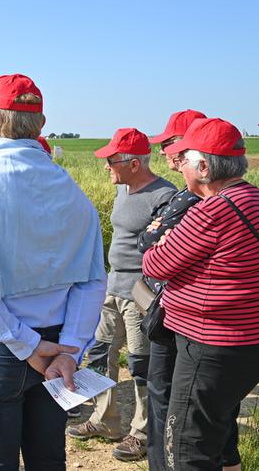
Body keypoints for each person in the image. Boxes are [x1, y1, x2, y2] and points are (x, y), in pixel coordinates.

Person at [0, 73, 107, 470]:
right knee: (48, 460)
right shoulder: (72, 191)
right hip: (58, 349)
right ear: (41, 125)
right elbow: (92, 279)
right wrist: (70, 348)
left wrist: (26, 345)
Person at [143, 117, 259, 471]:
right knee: (216, 426)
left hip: (208, 345)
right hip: (246, 341)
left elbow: (155, 264)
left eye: (185, 158)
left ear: (204, 166)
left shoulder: (212, 211)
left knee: (188, 448)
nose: (180, 165)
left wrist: (165, 244)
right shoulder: (252, 199)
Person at [68, 127, 176, 462]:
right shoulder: (124, 189)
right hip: (111, 288)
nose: (105, 166)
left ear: (133, 163)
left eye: (111, 160)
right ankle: (106, 420)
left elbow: (166, 249)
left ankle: (141, 433)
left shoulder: (164, 195)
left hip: (140, 294)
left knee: (141, 365)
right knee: (100, 355)